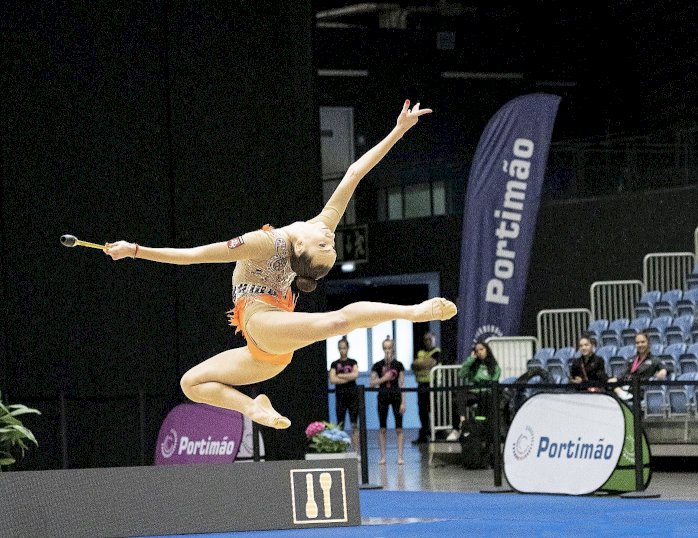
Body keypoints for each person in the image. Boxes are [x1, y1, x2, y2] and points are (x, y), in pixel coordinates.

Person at [104, 100, 457, 429]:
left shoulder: (275, 242)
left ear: (301, 248)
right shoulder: (302, 233)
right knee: (191, 383)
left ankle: (413, 312)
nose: (329, 235)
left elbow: (194, 255)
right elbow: (352, 174)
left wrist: (135, 250)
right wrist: (399, 130)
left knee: (336, 321)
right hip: (266, 347)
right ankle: (253, 407)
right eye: (329, 243)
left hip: (264, 322)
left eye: (326, 243)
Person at [446, 341, 500, 441]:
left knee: (488, 399)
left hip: (486, 394)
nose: (479, 352)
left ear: (487, 350)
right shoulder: (473, 365)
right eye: (476, 350)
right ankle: (460, 424)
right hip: (473, 393)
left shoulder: (494, 366)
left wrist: (481, 381)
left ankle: (487, 431)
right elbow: (461, 374)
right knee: (458, 396)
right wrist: (471, 359)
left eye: (481, 349)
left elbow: (494, 382)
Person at [370, 336, 406, 465]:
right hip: (383, 396)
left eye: (389, 348)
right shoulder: (377, 365)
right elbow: (372, 383)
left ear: (393, 349)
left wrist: (403, 401)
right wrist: (383, 379)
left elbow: (402, 384)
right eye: (385, 348)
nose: (387, 351)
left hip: (396, 396)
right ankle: (383, 456)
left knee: (399, 428)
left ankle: (400, 456)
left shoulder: (399, 365)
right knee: (382, 428)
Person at [609, 331, 668, 401]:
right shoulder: (631, 360)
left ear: (648, 343)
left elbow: (666, 368)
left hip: (641, 389)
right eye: (637, 343)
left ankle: (623, 395)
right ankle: (621, 393)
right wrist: (615, 379)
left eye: (643, 342)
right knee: (609, 383)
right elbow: (623, 374)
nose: (640, 345)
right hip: (626, 386)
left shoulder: (654, 360)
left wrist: (663, 371)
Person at [329, 337, 360, 453]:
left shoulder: (353, 362)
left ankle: (356, 451)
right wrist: (348, 377)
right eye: (341, 348)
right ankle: (340, 451)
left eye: (344, 348)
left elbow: (355, 375)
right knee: (340, 424)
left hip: (353, 396)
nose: (343, 350)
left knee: (354, 424)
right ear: (338, 349)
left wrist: (340, 376)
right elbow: (332, 379)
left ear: (348, 348)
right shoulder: (334, 364)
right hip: (340, 396)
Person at [411, 331, 441, 444]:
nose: (427, 341)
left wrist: (420, 363)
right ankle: (424, 435)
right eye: (425, 339)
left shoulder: (437, 352)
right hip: (421, 385)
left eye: (430, 339)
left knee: (434, 410)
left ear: (434, 339)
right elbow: (413, 365)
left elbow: (431, 363)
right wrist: (421, 363)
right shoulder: (420, 352)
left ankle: (436, 434)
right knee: (422, 411)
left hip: (433, 385)